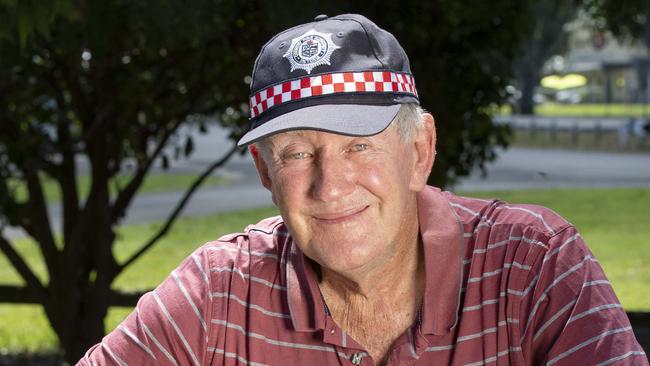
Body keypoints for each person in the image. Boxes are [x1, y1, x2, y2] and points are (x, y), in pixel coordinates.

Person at [78, 14, 647, 366]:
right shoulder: (216, 294)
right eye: (298, 153)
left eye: (359, 144)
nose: (331, 185)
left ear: (419, 152)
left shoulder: (535, 266)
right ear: (264, 172)